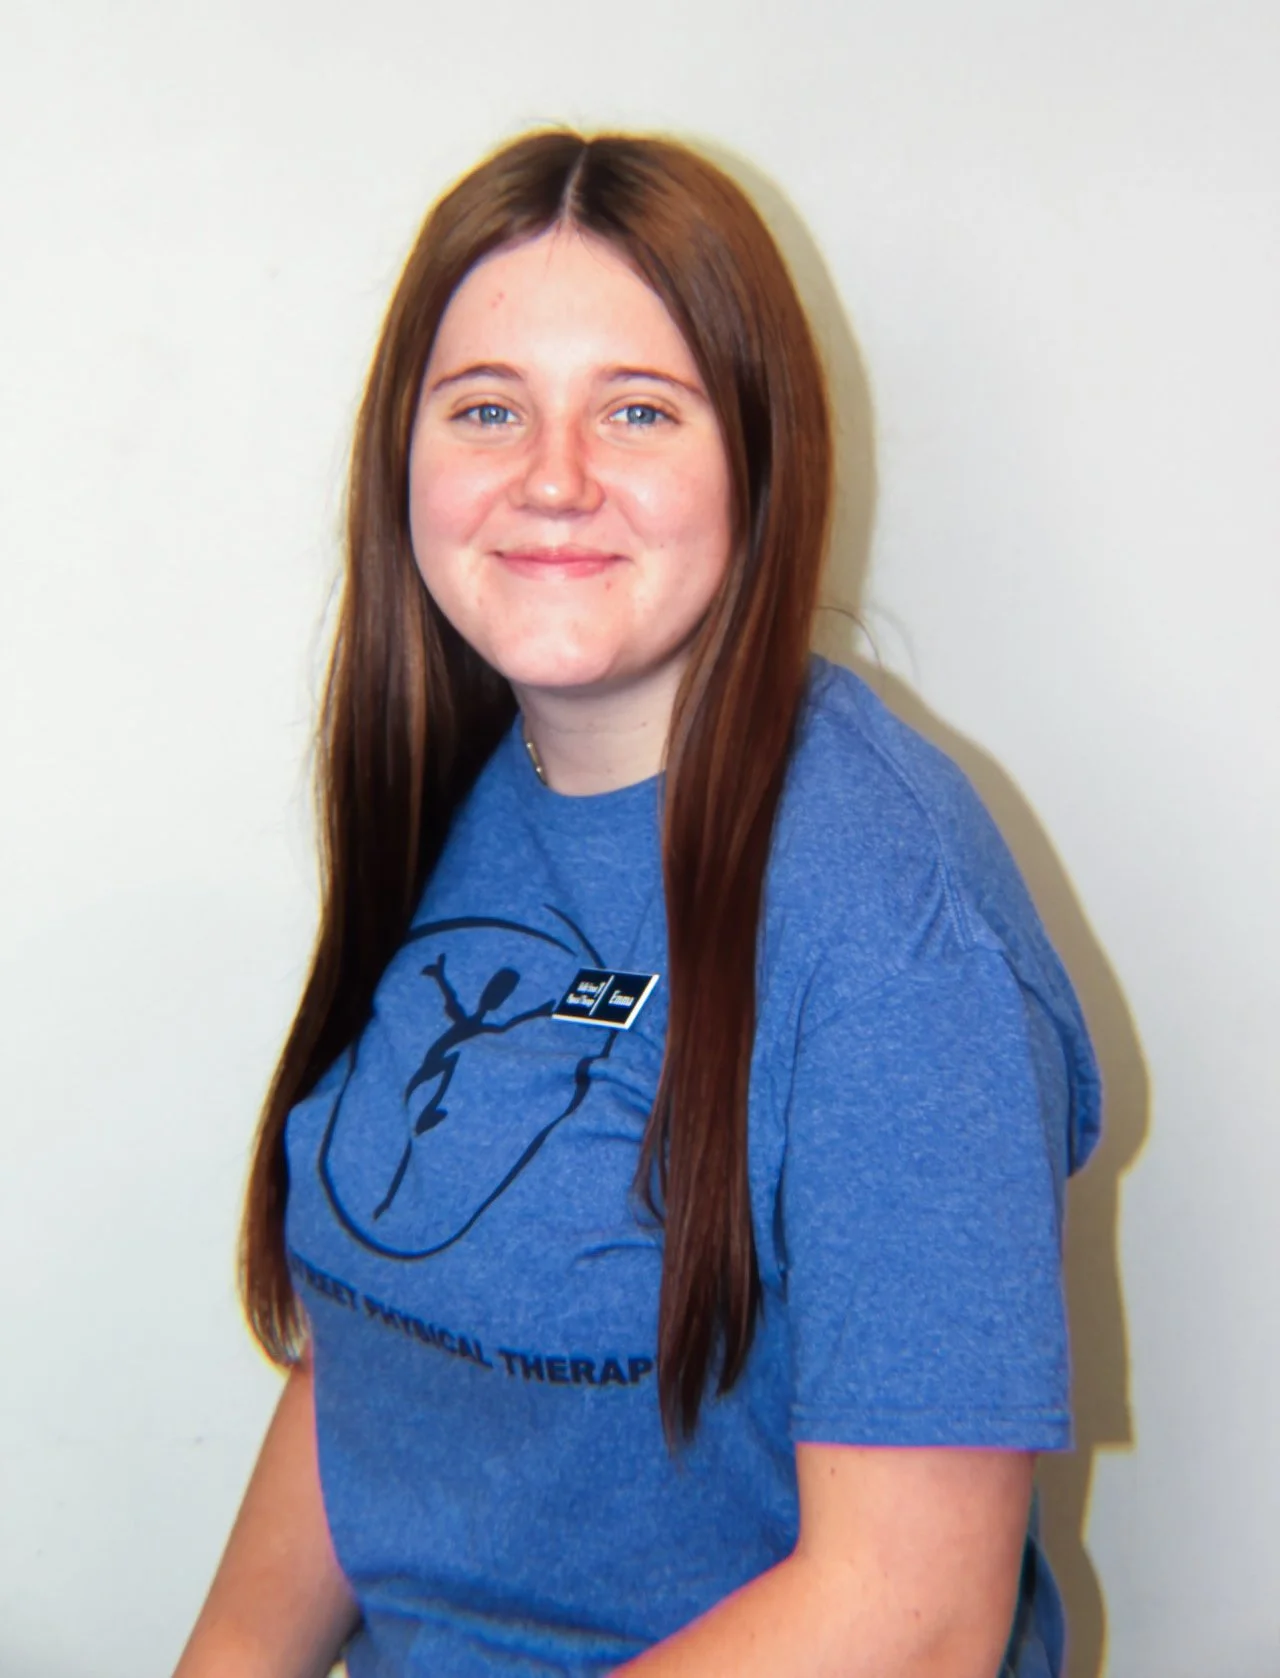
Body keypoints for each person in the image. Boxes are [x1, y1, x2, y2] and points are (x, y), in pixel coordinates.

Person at [175, 129, 1100, 1678]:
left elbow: (919, 1619)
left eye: (637, 408)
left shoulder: (893, 919)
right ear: (403, 459)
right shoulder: (464, 786)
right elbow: (378, 1345)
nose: (552, 477)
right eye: (487, 409)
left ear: (758, 451)